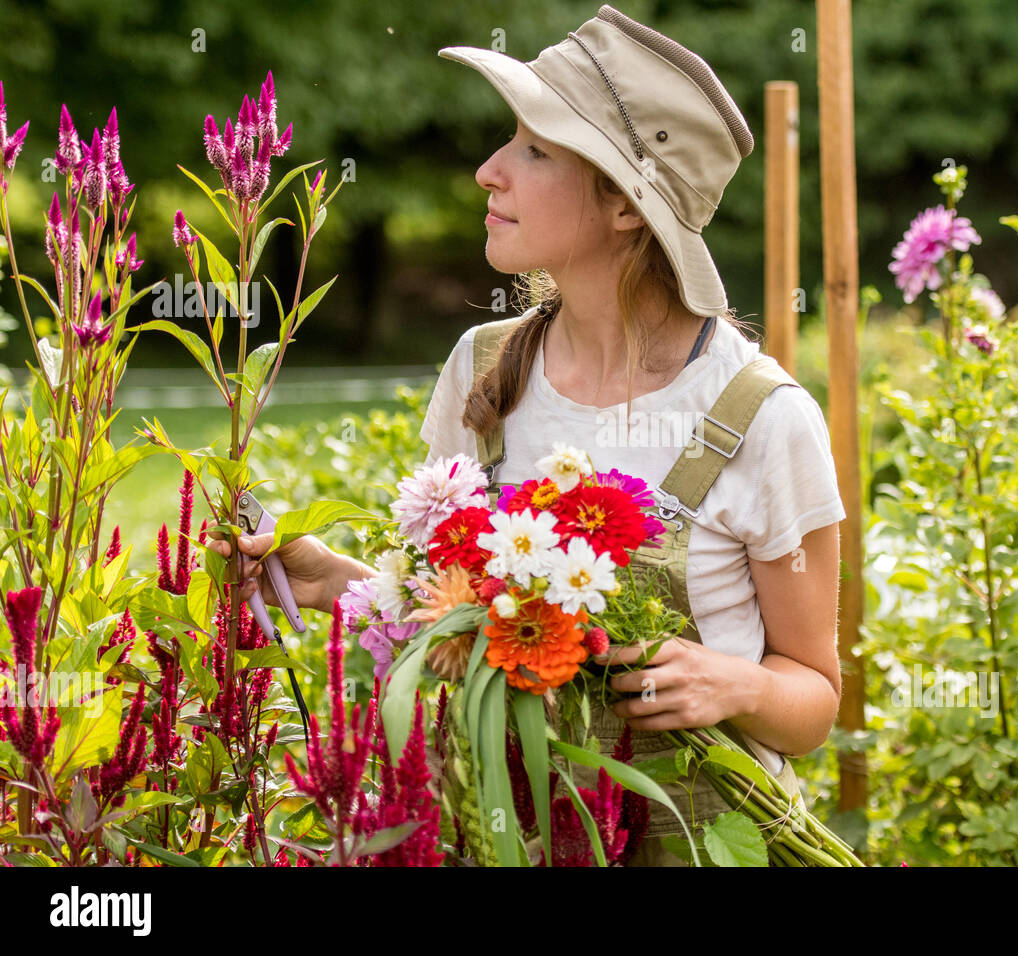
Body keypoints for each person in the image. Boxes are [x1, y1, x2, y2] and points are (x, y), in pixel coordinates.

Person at [213, 4, 846, 866]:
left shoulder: (763, 418)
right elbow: (468, 628)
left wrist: (735, 683)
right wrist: (337, 582)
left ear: (625, 206)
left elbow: (814, 700)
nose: (487, 171)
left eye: (534, 149)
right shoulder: (483, 370)